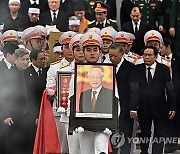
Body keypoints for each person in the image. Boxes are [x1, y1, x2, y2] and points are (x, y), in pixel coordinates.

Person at [135, 46, 176, 154]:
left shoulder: (163, 69)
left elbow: (170, 88)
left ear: (155, 56)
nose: (147, 57)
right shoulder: (137, 69)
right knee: (145, 133)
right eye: (145, 55)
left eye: (150, 55)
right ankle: (144, 152)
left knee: (160, 134)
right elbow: (134, 89)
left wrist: (172, 106)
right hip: (143, 107)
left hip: (160, 107)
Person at [1, 48, 37, 154]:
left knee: (30, 147)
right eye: (22, 59)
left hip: (30, 119)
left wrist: (37, 115)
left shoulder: (32, 75)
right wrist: (5, 115)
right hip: (13, 118)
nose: (25, 62)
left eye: (27, 60)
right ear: (15, 60)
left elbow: (35, 97)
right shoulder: (6, 75)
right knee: (14, 148)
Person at [109, 42, 139, 154]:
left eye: (115, 56)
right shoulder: (107, 67)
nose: (112, 58)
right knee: (112, 137)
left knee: (126, 135)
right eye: (110, 55)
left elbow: (135, 89)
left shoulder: (131, 67)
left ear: (122, 54)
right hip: (111, 107)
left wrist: (133, 107)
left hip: (126, 107)